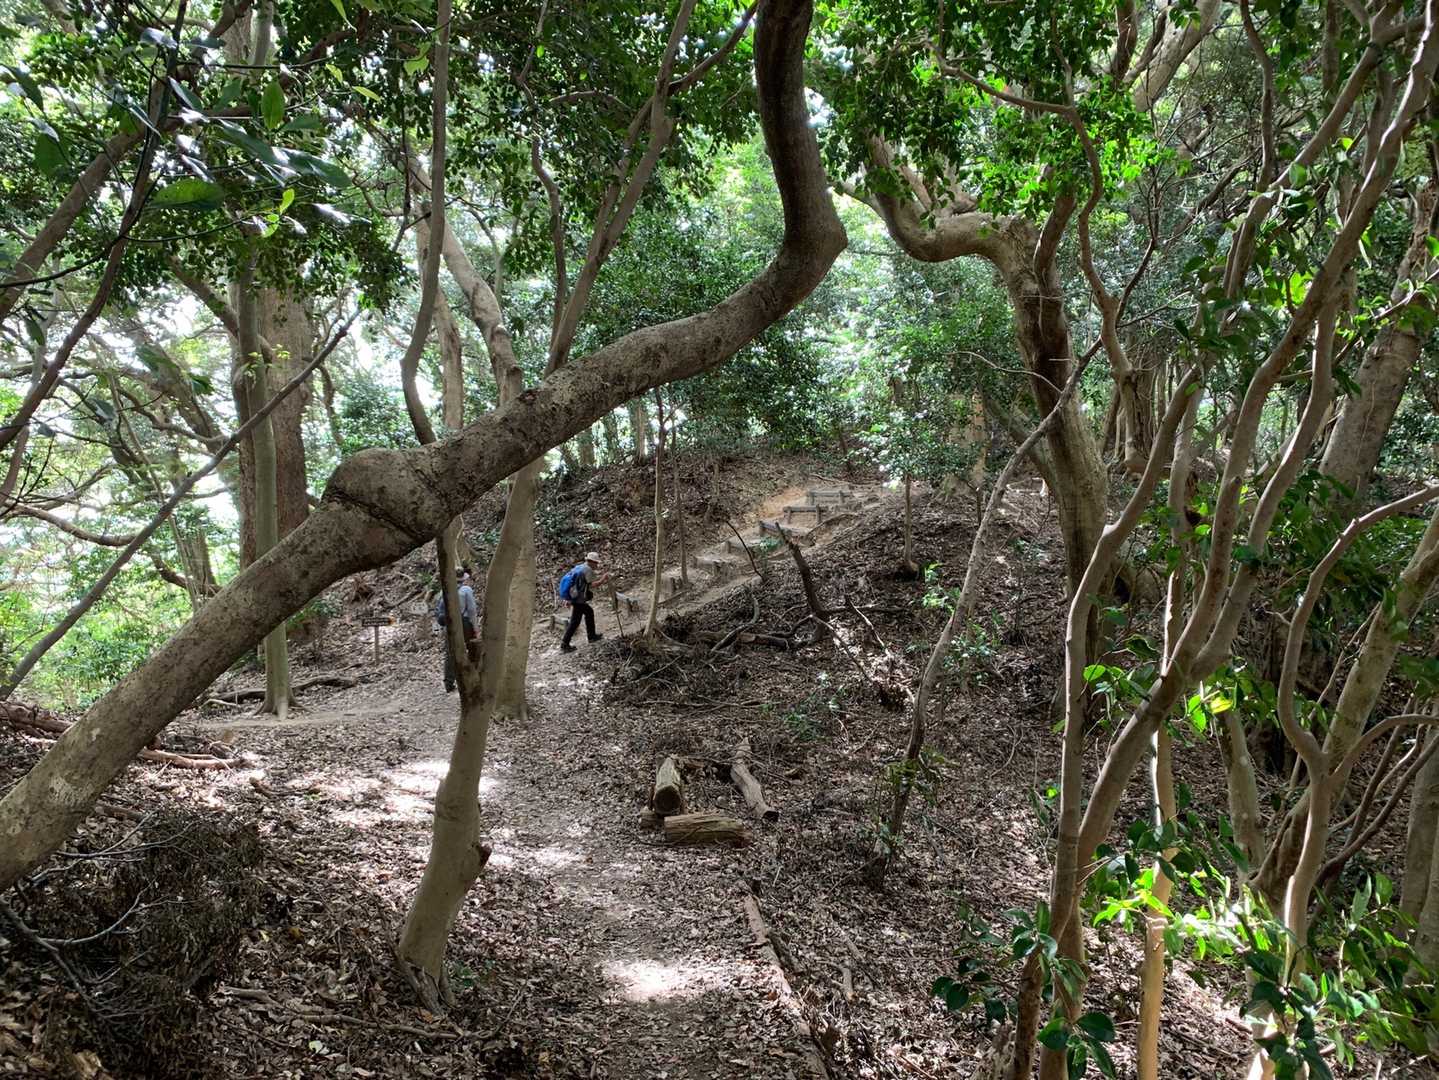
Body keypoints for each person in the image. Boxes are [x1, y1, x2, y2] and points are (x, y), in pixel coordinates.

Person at [438, 567, 478, 692]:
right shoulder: (466, 590)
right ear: (464, 578)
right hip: (464, 623)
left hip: (449, 624)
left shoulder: (444, 590)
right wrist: (476, 628)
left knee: (450, 653)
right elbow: (471, 611)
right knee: (472, 647)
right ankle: (474, 675)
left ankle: (448, 683)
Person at [560, 551, 608, 653]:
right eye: (596, 563)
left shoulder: (580, 567)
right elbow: (592, 585)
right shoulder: (588, 570)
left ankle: (590, 636)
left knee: (586, 614)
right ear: (591, 562)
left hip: (575, 597)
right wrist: (603, 579)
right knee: (576, 620)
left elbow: (574, 583)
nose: (597, 565)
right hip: (578, 599)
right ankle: (566, 644)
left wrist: (569, 599)